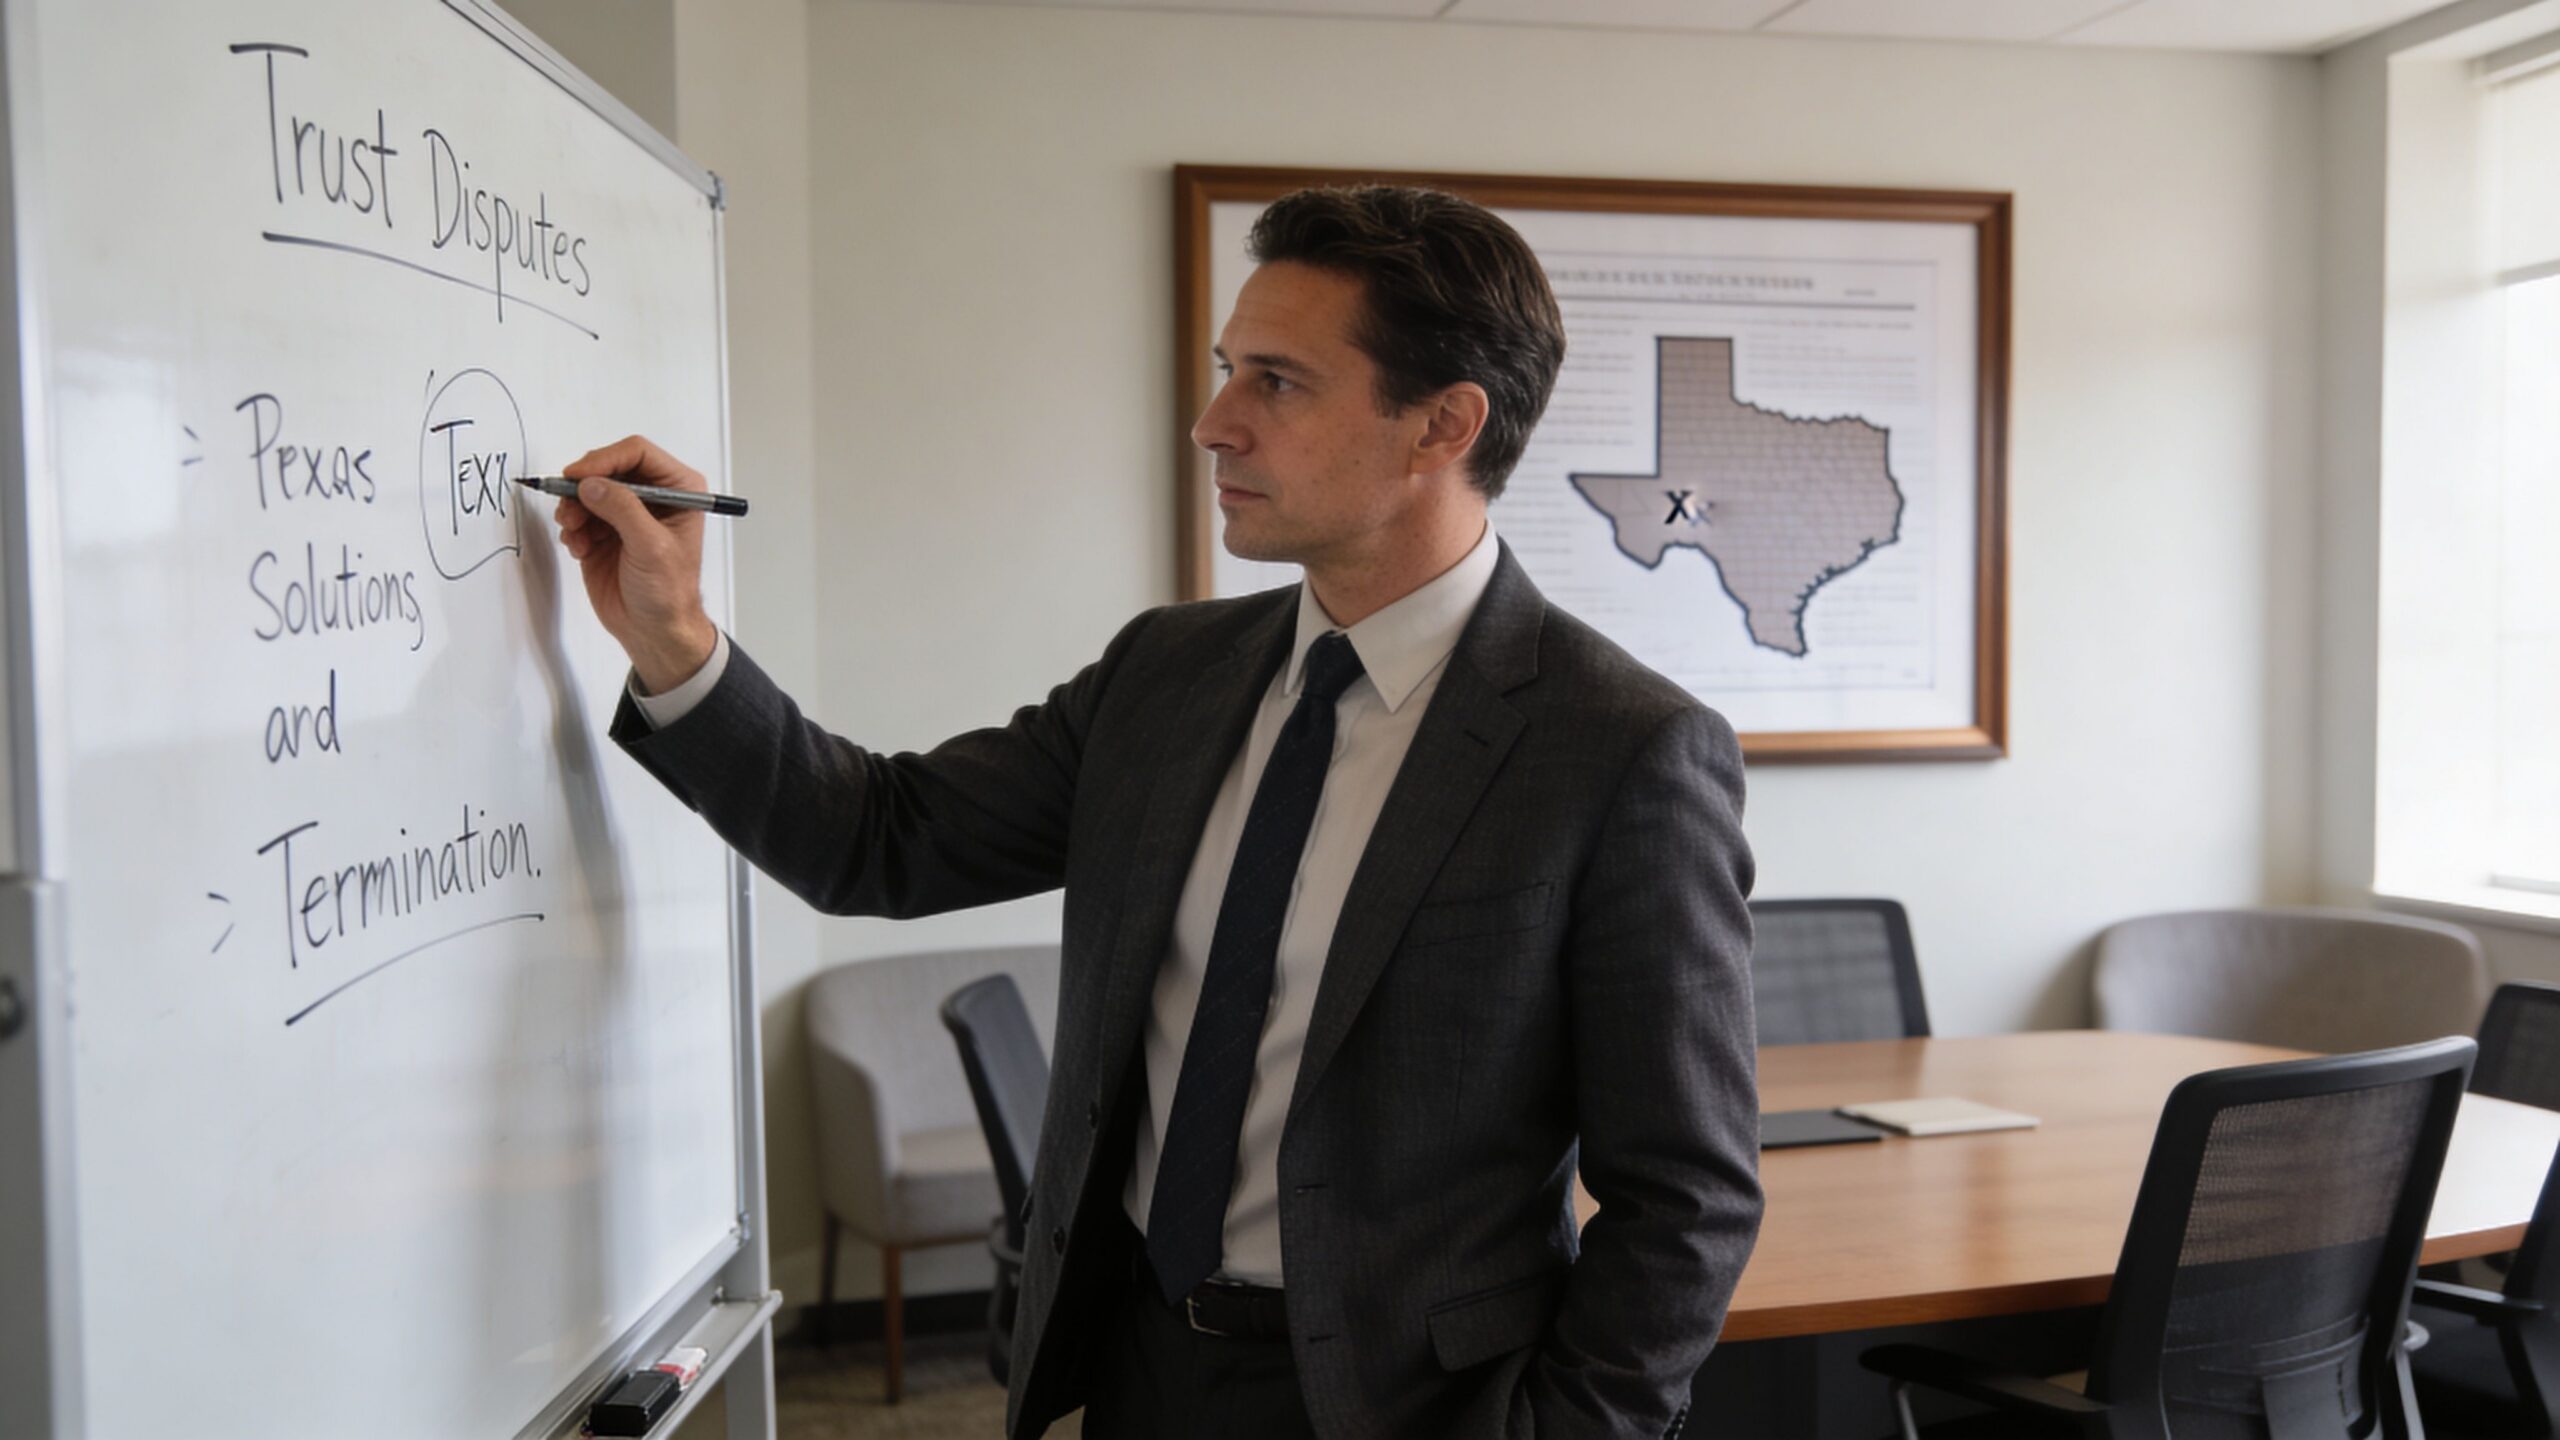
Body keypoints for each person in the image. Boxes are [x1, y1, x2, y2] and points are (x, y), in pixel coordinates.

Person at [550, 185, 1759, 1440]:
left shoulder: (1622, 753)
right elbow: (878, 840)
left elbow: (1687, 1197)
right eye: (1229, 369)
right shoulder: (1164, 676)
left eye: (1277, 383)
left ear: (1441, 426)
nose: (1212, 424)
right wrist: (674, 637)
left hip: (1416, 1406)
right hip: (1133, 1366)